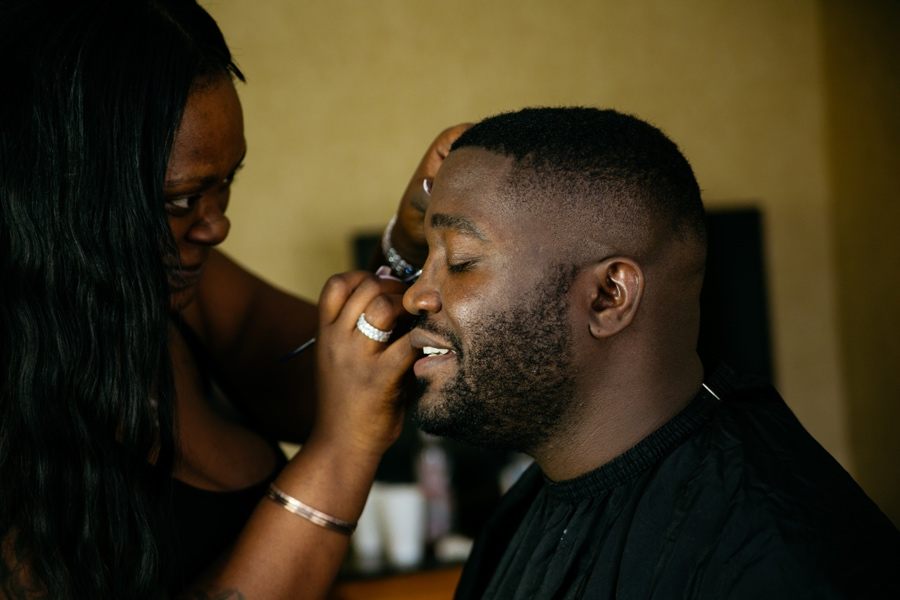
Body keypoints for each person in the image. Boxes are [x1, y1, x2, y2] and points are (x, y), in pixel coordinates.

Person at [0, 0, 465, 597]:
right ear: (61, 192)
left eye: (228, 182)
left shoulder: (184, 285)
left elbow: (323, 383)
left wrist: (403, 245)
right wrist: (341, 450)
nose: (216, 226)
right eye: (180, 201)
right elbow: (341, 417)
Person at [402, 107, 900, 599]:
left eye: (461, 260)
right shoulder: (527, 507)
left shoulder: (782, 561)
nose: (415, 296)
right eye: (426, 258)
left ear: (609, 296)